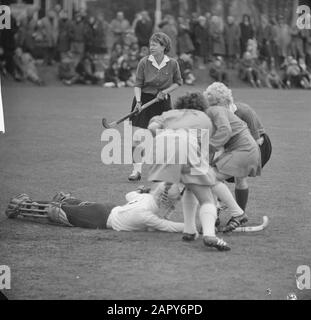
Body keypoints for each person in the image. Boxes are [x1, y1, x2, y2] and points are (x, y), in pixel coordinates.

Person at [146, 92, 246, 251]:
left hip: (162, 146)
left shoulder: (169, 113)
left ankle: (190, 231)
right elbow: (204, 148)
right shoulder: (204, 118)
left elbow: (151, 126)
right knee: (206, 198)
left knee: (190, 187)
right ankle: (209, 235)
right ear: (201, 106)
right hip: (187, 147)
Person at [5, 183, 184, 233]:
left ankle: (25, 203)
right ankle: (22, 206)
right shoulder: (147, 215)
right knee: (56, 211)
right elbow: (167, 226)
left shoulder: (145, 198)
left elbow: (129, 195)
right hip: (100, 218)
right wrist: (194, 228)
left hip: (106, 208)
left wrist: (141, 189)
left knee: (64, 204)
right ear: (168, 201)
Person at [203, 82, 261, 231]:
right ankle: (216, 215)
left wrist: (206, 147)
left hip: (244, 151)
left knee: (211, 177)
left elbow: (225, 131)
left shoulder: (217, 110)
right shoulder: (218, 110)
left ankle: (237, 214)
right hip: (242, 150)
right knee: (209, 176)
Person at [128, 32, 183, 181]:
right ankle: (136, 171)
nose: (151, 47)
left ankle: (161, 171)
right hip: (144, 101)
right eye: (150, 44)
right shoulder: (144, 62)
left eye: (154, 44)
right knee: (138, 139)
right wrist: (138, 102)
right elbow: (138, 85)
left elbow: (178, 82)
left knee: (163, 139)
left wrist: (165, 92)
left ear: (163, 46)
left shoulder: (172, 63)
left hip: (162, 103)